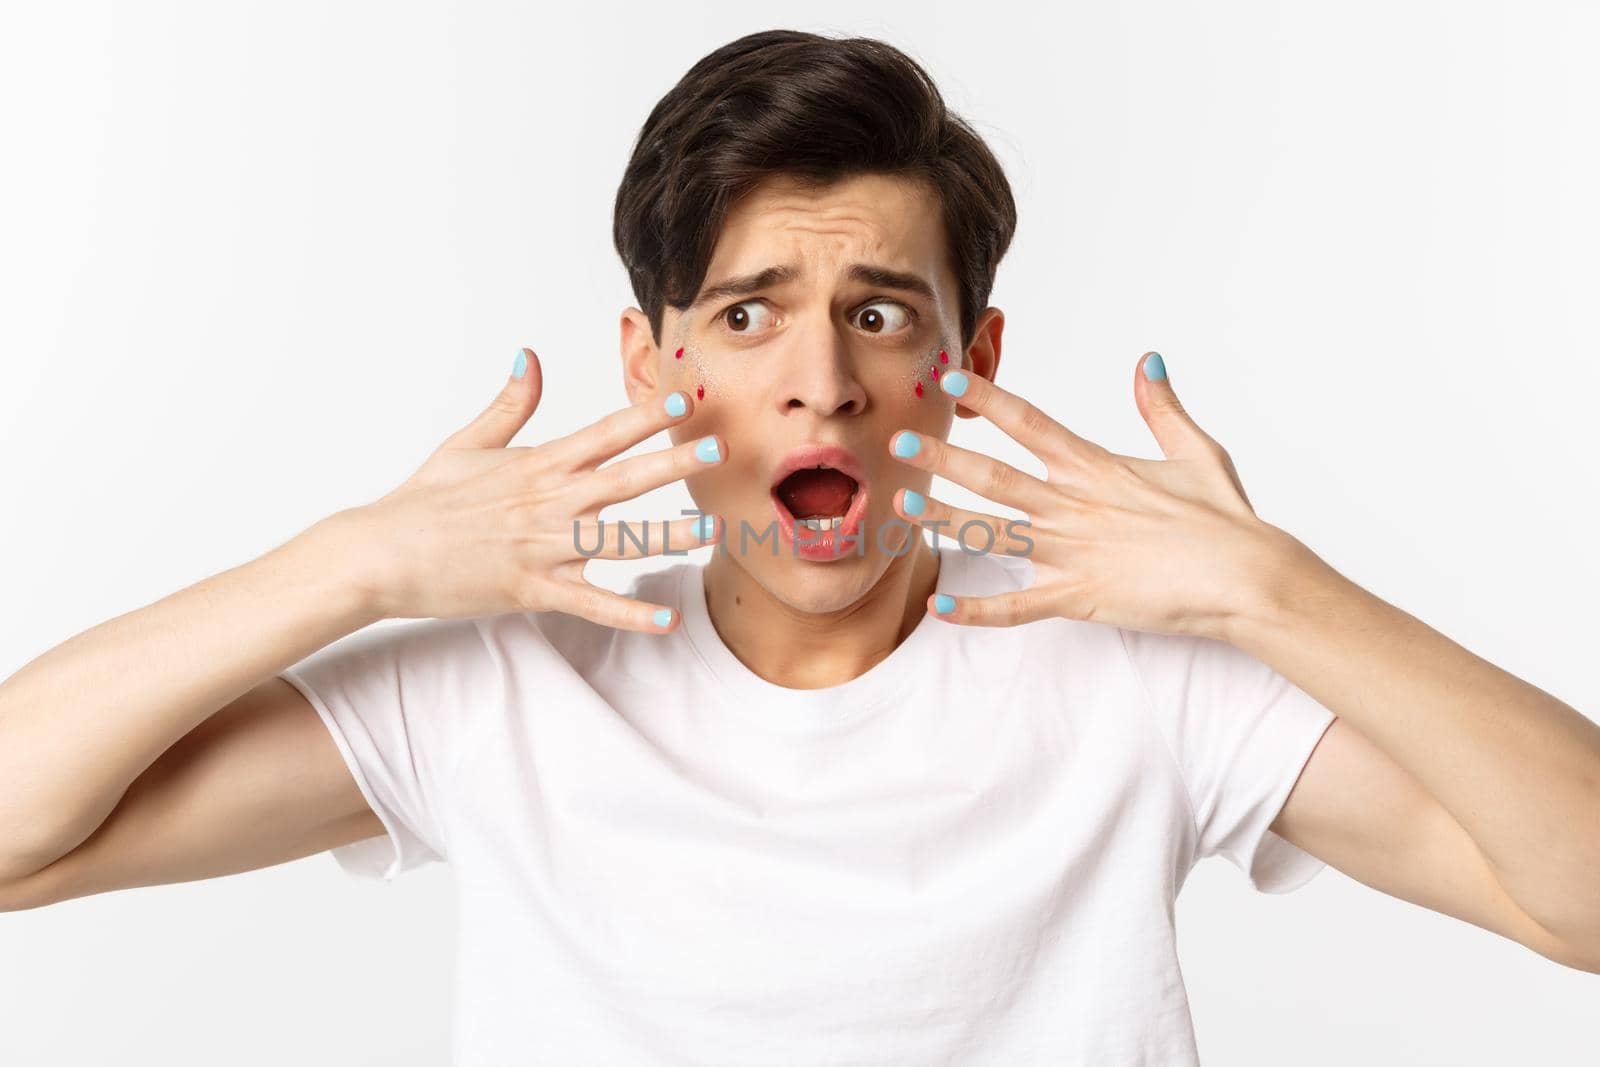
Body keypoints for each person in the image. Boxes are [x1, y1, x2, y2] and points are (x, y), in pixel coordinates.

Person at [2, 27, 1596, 1066]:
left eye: (881, 314)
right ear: (655, 362)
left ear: (965, 365)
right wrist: (352, 565)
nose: (821, 381)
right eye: (749, 313)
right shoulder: (502, 686)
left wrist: (1270, 591)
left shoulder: (1138, 672)